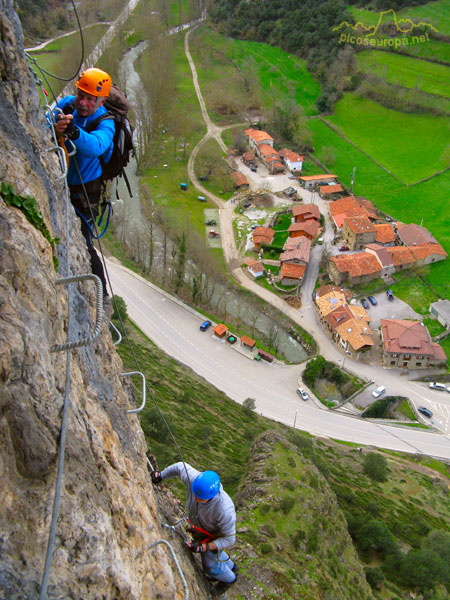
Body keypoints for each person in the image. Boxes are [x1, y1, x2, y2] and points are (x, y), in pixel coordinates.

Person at [54, 67, 115, 298]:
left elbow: (97, 146)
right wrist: (57, 123)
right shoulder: (68, 104)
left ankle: (103, 295)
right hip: (64, 179)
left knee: (85, 242)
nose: (84, 102)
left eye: (91, 99)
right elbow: (49, 118)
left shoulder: (105, 122)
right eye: (81, 95)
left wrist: (73, 131)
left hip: (86, 190)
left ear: (101, 101)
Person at [152, 463, 238, 590]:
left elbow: (229, 539)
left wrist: (203, 547)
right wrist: (160, 475)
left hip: (212, 535)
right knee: (215, 555)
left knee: (210, 566)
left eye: (200, 498)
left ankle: (230, 579)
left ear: (211, 496)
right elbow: (180, 466)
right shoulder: (194, 480)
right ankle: (231, 567)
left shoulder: (225, 511)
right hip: (201, 528)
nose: (196, 499)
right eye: (195, 494)